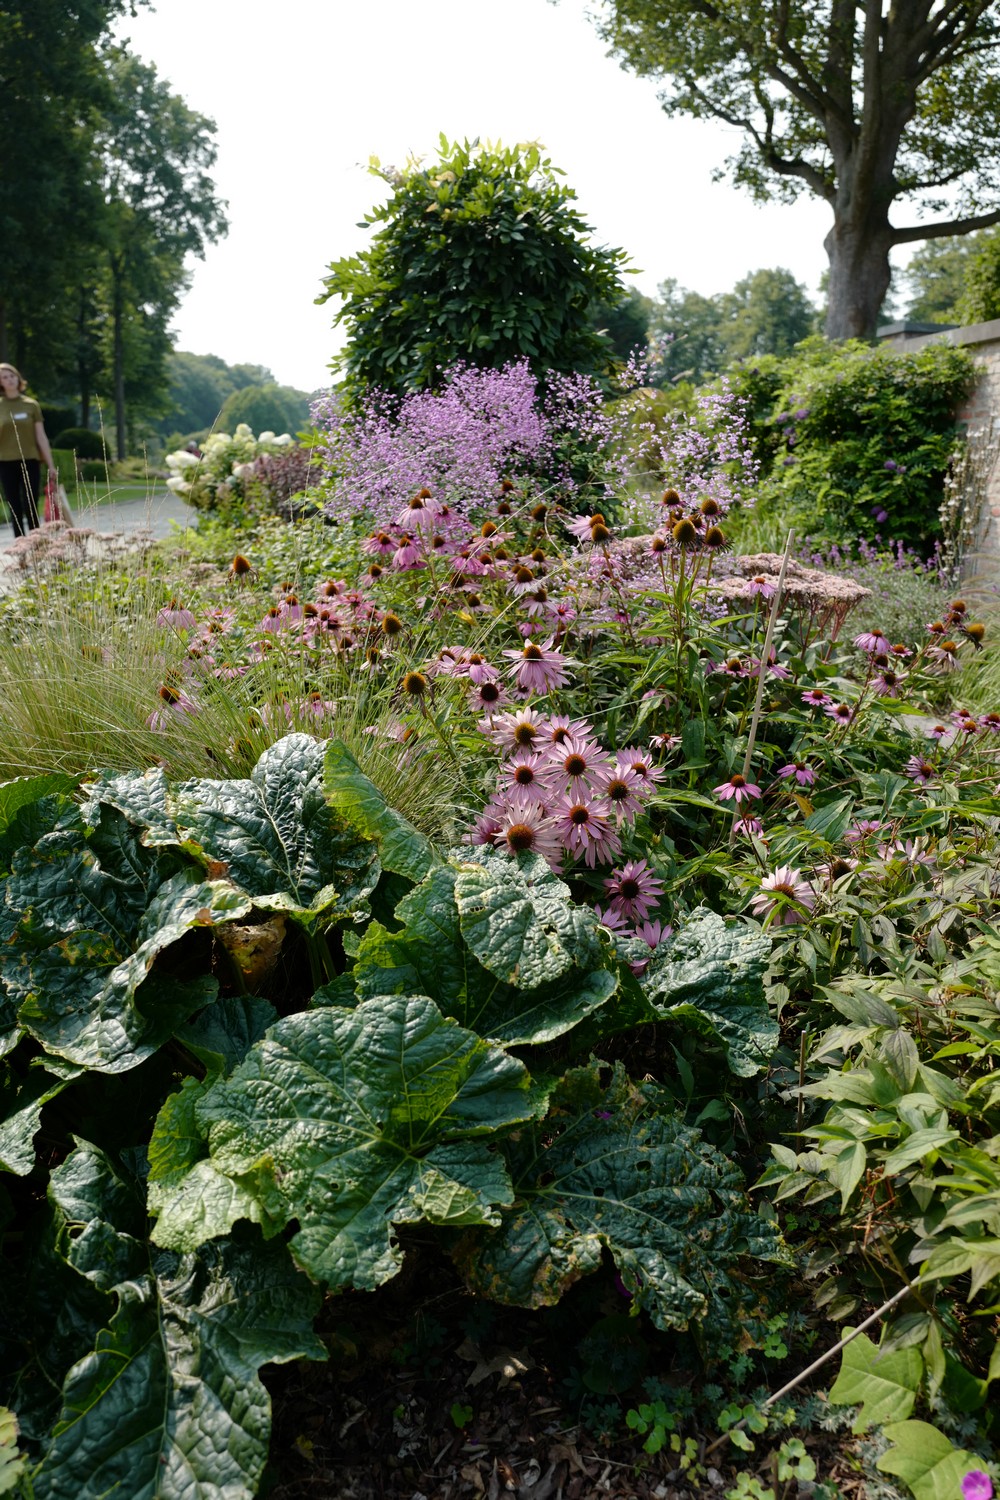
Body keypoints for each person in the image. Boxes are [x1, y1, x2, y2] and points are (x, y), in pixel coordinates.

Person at [0, 362, 56, 536]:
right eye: (4, 377)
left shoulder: (31, 405)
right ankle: (21, 546)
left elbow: (41, 436)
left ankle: (36, 543)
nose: (9, 380)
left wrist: (51, 465)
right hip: (5, 462)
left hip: (30, 460)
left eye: (12, 376)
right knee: (14, 505)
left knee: (30, 502)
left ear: (18, 378)